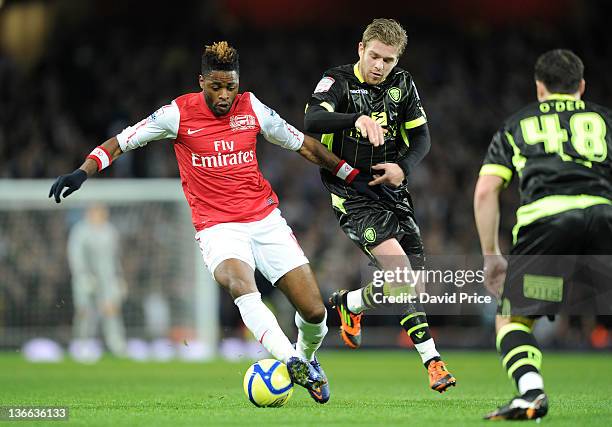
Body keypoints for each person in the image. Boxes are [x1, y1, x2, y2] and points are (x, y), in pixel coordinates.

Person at [50, 41, 373, 404]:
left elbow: (304, 145)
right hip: (217, 227)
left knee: (314, 312)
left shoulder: (252, 108)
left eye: (230, 86)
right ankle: (293, 362)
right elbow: (122, 141)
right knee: (239, 283)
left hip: (265, 219)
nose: (223, 95)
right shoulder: (177, 114)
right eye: (215, 86)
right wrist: (82, 171)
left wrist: (349, 172)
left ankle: (307, 359)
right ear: (201, 81)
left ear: (238, 83)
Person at [304, 18, 456, 392]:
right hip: (352, 193)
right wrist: (355, 118)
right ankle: (433, 362)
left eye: (388, 60)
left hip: (392, 192)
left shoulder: (403, 84)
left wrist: (403, 168)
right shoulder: (337, 81)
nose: (379, 66)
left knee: (411, 282)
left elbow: (422, 137)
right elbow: (312, 119)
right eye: (374, 56)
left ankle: (351, 304)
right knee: (401, 273)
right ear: (361, 49)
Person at [474, 49, 612, 420]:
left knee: (515, 319)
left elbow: (486, 191)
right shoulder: (605, 120)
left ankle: (531, 393)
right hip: (605, 217)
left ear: (539, 89)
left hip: (547, 224)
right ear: (581, 87)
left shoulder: (517, 124)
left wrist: (492, 255)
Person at [67, 203, 127, 357]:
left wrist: (119, 278)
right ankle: (81, 346)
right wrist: (82, 276)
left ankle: (117, 346)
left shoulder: (110, 231)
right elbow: (75, 257)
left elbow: (115, 258)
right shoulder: (80, 231)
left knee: (111, 311)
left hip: (107, 279)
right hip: (85, 278)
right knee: (85, 312)